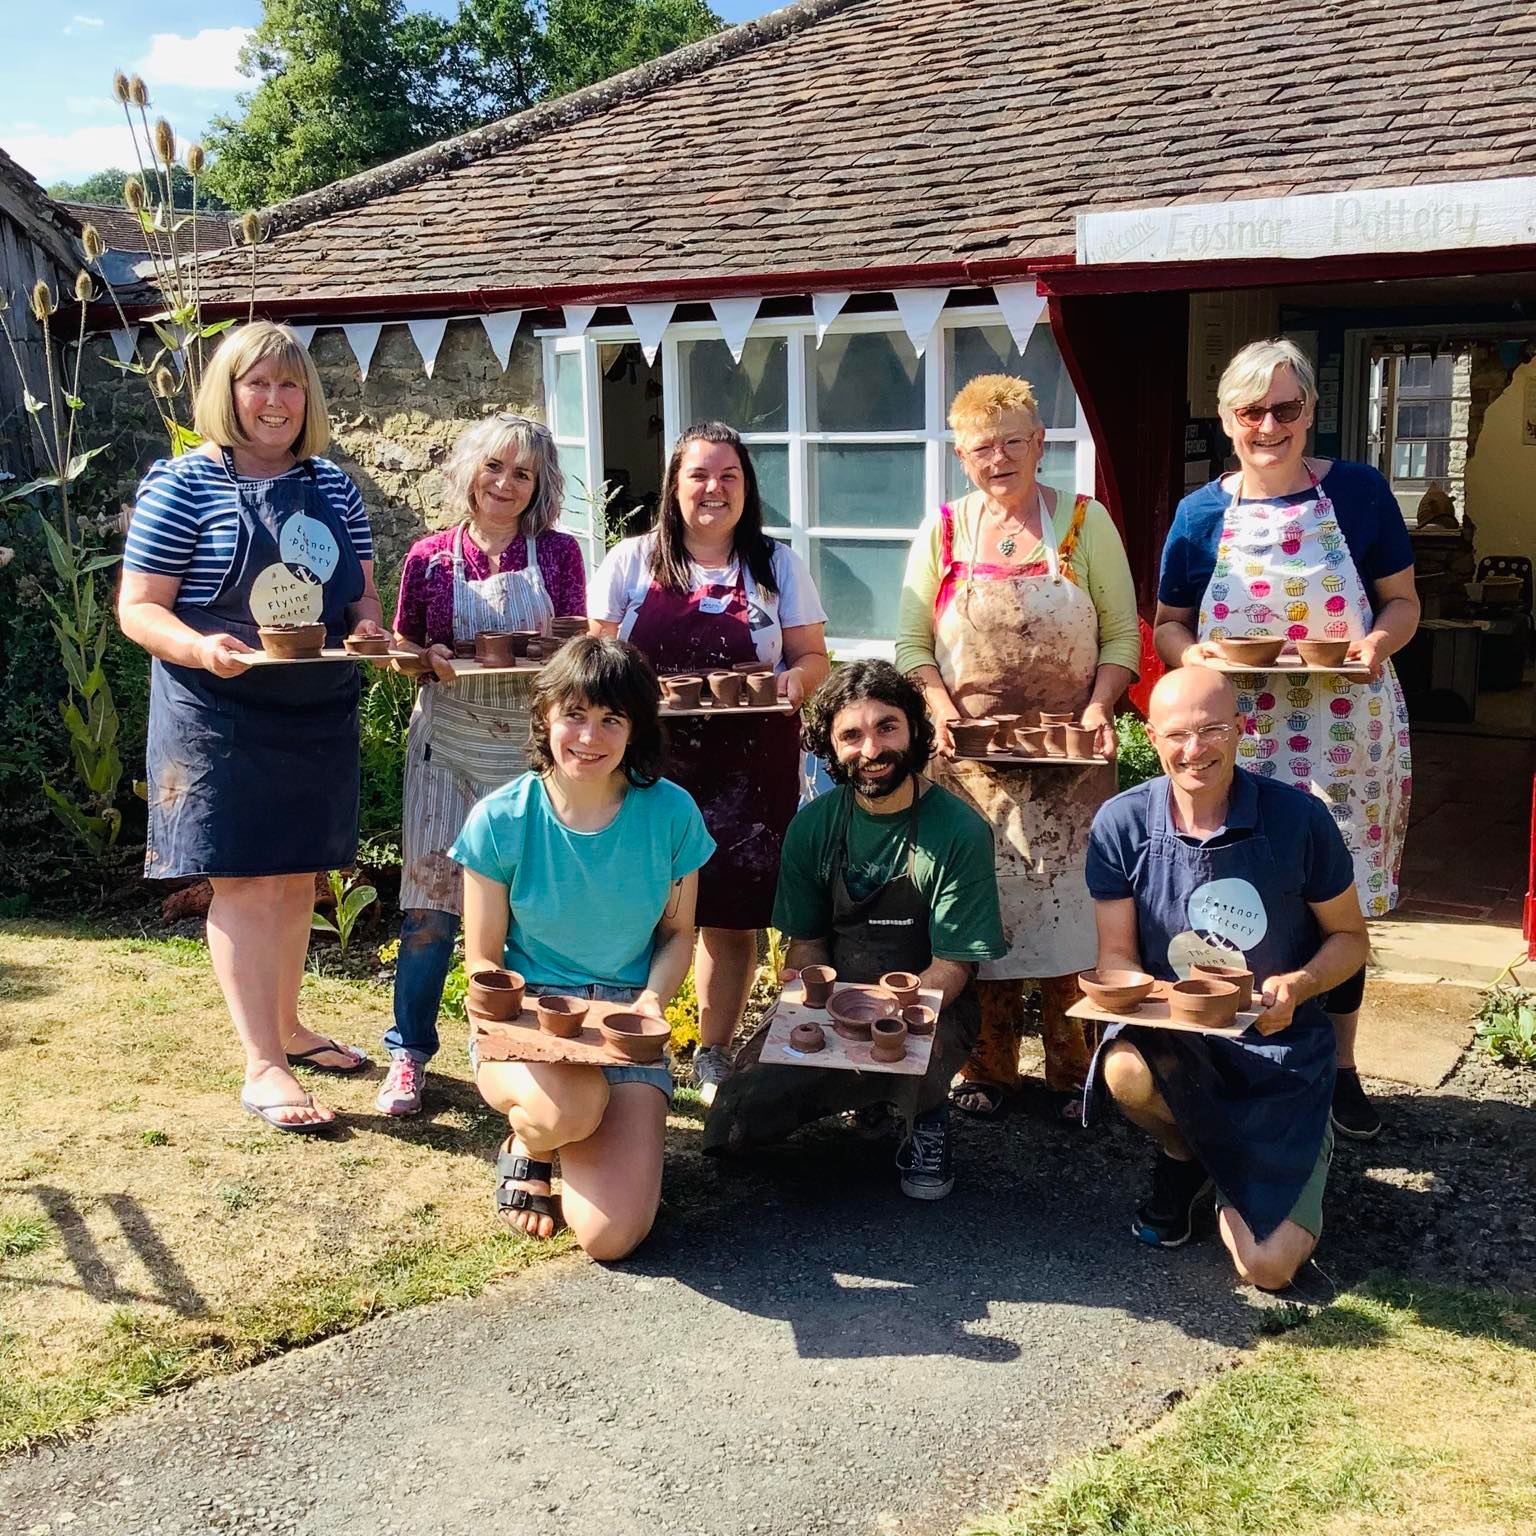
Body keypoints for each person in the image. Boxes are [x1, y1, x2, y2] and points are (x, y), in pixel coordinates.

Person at [118, 321, 386, 1131]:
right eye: (257, 384)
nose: (275, 401)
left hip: (313, 701)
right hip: (218, 705)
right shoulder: (183, 485)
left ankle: (291, 1026)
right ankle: (262, 1063)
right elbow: (137, 609)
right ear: (227, 394)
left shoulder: (334, 486)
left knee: (298, 873)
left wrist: (369, 627)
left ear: (309, 399)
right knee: (243, 877)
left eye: (290, 385)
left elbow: (361, 594)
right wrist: (201, 647)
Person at [1154, 338, 1418, 1141]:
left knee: (1343, 909)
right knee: (1247, 896)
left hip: (1347, 732)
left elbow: (1401, 602)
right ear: (1229, 420)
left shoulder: (1361, 494)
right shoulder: (1201, 515)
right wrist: (1191, 656)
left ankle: (1338, 1068)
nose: (1269, 425)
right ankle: (1247, 1049)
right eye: (1251, 411)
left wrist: (1376, 645)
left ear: (1309, 410)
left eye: (1285, 408)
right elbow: (1169, 625)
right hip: (1244, 738)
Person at [896, 374, 1140, 1115]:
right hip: (971, 767)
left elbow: (1123, 634)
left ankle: (1077, 1076)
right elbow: (912, 643)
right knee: (981, 916)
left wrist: (1100, 708)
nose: (997, 458)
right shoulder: (942, 531)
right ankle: (987, 1072)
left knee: (1076, 916)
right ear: (962, 458)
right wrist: (936, 708)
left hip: (1070, 762)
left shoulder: (1084, 523)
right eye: (980, 448)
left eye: (1011, 441)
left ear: (1039, 442)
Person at [1086, 667, 1368, 1290]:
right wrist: (1159, 996)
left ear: (1241, 731)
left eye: (1213, 729)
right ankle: (1187, 1156)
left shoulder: (1298, 820)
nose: (1196, 750)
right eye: (1179, 734)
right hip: (1181, 1038)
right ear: (1152, 736)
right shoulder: (1121, 824)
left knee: (1267, 1270)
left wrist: (1300, 984)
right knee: (1125, 1071)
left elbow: (1351, 939)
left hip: (1281, 1045)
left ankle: (1277, 1151)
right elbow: (1116, 957)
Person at [590, 421, 829, 1105]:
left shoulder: (777, 565)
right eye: (698, 474)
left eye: (729, 476)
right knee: (642, 909)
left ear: (747, 488)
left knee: (730, 918)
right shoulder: (632, 562)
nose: (713, 488)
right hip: (649, 761)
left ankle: (714, 1052)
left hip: (752, 765)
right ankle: (637, 1042)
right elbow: (596, 664)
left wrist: (792, 683)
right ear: (674, 484)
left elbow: (813, 658)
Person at [704, 662, 1007, 1199]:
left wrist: (892, 1016)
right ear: (830, 746)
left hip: (927, 1005)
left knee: (910, 1055)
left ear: (915, 729)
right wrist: (803, 1003)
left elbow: (955, 963)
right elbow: (808, 943)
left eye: (887, 727)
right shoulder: (812, 827)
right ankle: (867, 1097)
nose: (872, 751)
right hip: (834, 1004)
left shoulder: (960, 831)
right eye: (852, 735)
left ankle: (924, 1119)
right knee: (734, 1125)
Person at [452, 637, 714, 1260]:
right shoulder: (500, 818)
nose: (589, 737)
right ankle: (532, 1143)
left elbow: (678, 935)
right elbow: (484, 960)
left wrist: (652, 1001)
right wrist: (515, 1023)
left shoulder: (672, 814)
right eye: (575, 714)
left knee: (610, 1236)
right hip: (532, 1016)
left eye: (611, 720)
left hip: (627, 1023)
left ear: (634, 730)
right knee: (571, 1106)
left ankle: (571, 1137)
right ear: (545, 715)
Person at [380, 414, 586, 1116]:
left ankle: (501, 1039)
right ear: (470, 470)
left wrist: (545, 655)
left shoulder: (558, 555)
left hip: (526, 753)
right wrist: (422, 658)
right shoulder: (430, 558)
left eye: (522, 473)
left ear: (539, 487)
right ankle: (408, 1051)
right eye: (494, 466)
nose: (505, 483)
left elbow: (576, 651)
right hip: (447, 748)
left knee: (524, 913)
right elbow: (404, 651)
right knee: (431, 909)